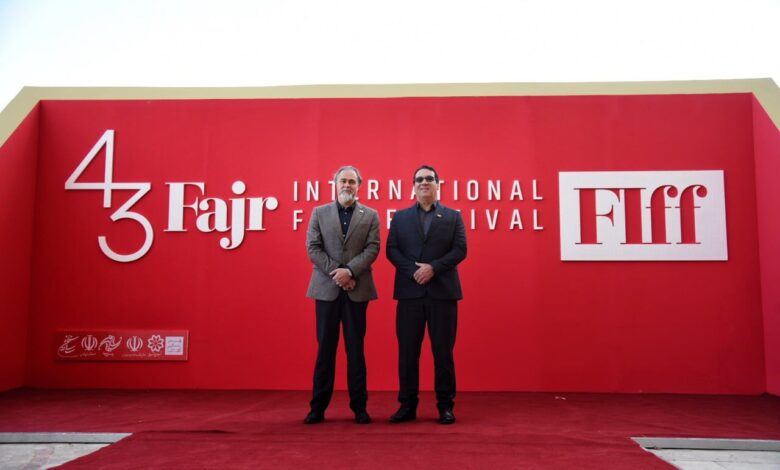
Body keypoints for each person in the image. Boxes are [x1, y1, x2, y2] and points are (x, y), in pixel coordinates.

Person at [386, 165, 467, 425]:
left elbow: (460, 249)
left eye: (429, 178)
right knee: (408, 353)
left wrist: (433, 268)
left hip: (442, 294)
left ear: (437, 184)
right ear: (413, 186)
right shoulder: (400, 218)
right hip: (409, 294)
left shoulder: (453, 217)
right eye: (419, 179)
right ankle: (407, 406)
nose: (424, 182)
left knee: (443, 353)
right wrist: (414, 272)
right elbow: (391, 250)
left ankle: (445, 406)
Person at [304, 166, 380, 425]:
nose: (347, 185)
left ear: (359, 185)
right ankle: (317, 408)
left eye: (351, 181)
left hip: (357, 290)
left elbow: (373, 248)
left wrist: (350, 271)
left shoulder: (370, 215)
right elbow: (313, 248)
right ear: (335, 184)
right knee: (325, 350)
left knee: (356, 350)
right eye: (343, 181)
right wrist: (338, 273)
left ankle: (360, 408)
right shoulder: (319, 212)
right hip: (326, 290)